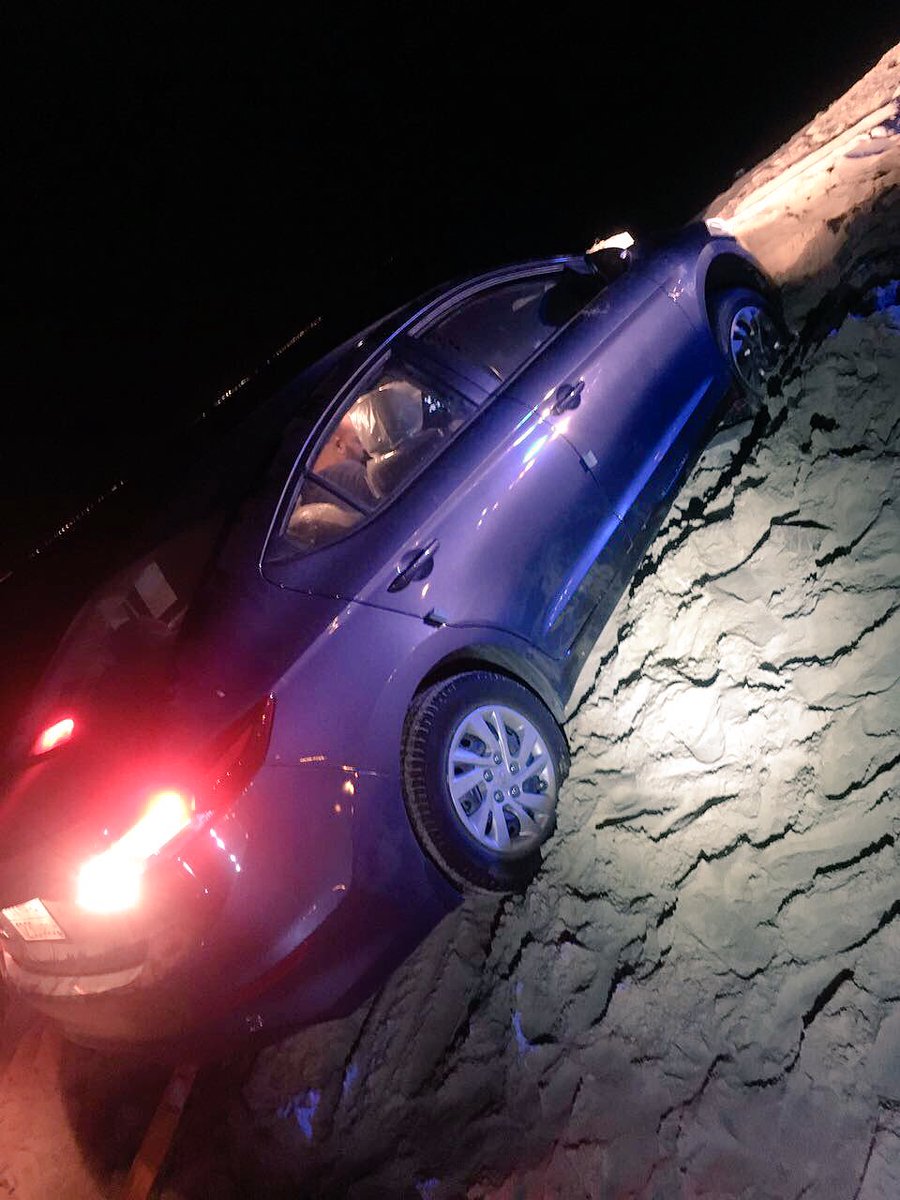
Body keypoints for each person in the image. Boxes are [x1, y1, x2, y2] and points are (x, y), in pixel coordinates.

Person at [313, 411, 375, 506]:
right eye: (358, 441)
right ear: (339, 446)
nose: (363, 449)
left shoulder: (305, 490)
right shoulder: (352, 475)